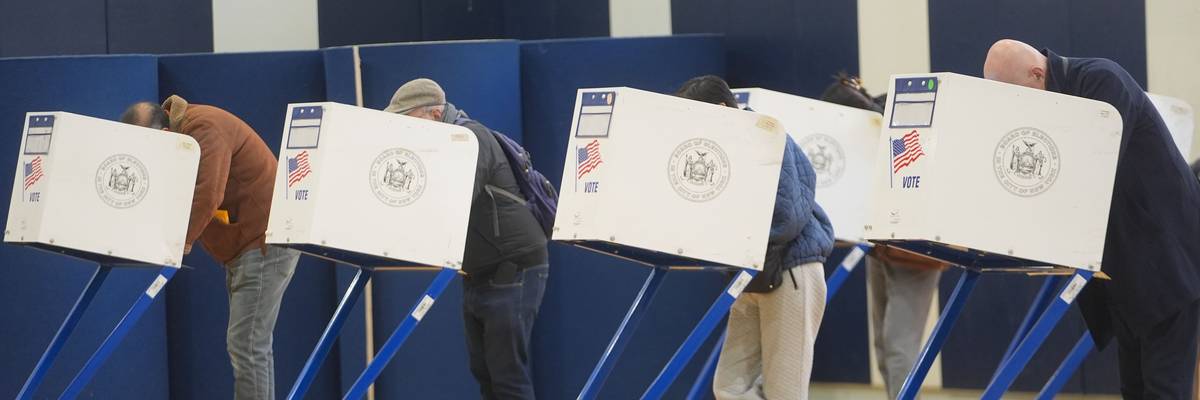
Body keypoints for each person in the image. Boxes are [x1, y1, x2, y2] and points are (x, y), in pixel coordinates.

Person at [983, 39, 1200, 398]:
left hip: (1166, 266)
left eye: (1015, 98)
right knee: (1134, 389)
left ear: (1038, 74)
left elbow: (1088, 170)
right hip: (1127, 273)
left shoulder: (1101, 82)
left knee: (1165, 389)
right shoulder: (1057, 98)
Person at [120, 96, 299, 400]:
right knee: (251, 343)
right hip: (245, 244)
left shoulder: (204, 129)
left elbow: (207, 195)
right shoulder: (181, 137)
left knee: (247, 343)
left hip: (263, 240)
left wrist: (180, 243)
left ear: (162, 135)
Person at [384, 78, 549, 399]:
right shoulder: (445, 145)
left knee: (506, 375)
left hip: (512, 269)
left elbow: (452, 204)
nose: (402, 129)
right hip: (481, 273)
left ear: (433, 114)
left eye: (407, 120)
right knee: (485, 371)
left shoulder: (469, 139)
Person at [676, 75, 834, 400]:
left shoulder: (767, 136)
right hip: (751, 271)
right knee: (730, 387)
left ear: (722, 108)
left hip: (792, 270)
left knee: (784, 392)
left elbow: (787, 215)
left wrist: (732, 239)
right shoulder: (720, 149)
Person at [820, 73, 946, 399]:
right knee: (884, 344)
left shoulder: (902, 126)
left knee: (898, 346)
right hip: (881, 247)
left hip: (915, 251)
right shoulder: (875, 122)